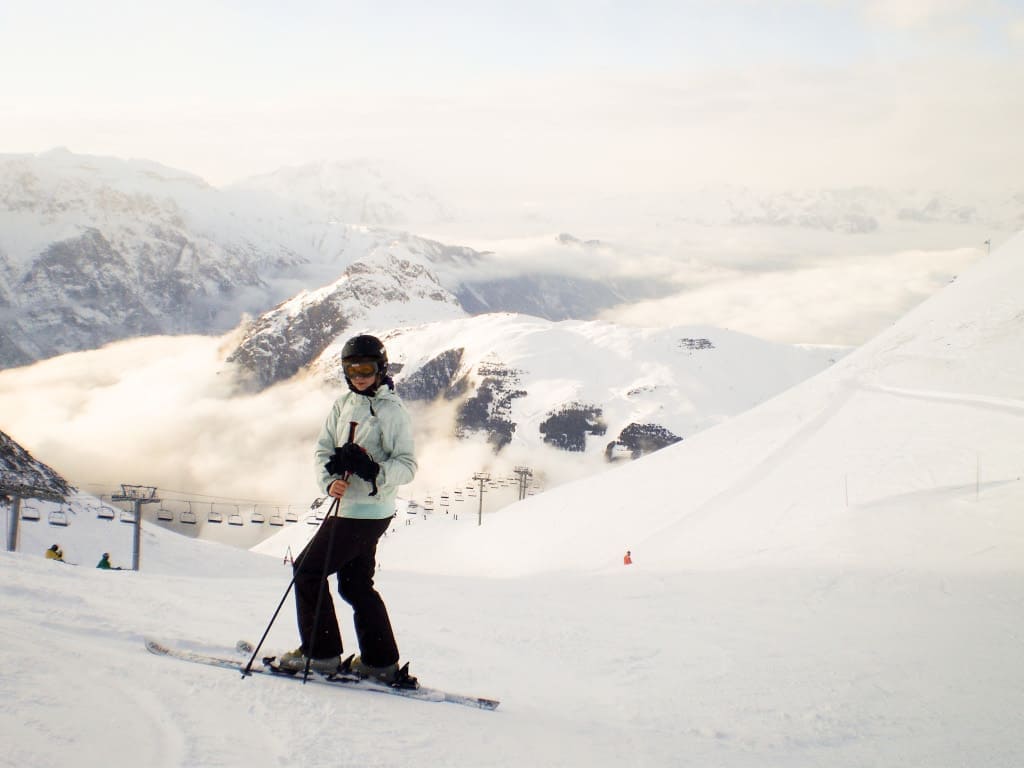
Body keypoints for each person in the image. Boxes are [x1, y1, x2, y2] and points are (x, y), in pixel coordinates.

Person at [279, 334, 417, 682]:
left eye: (366, 368)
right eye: (352, 368)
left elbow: (408, 465)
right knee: (355, 585)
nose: (359, 375)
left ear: (380, 368)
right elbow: (323, 449)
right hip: (348, 508)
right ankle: (379, 661)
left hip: (366, 512)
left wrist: (376, 472)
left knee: (307, 571)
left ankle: (321, 654)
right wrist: (329, 479)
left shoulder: (393, 411)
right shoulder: (343, 405)